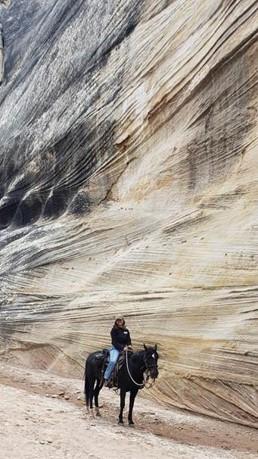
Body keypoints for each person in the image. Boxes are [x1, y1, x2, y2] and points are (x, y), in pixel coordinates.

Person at [104, 317, 132, 386]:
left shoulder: (126, 330)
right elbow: (114, 342)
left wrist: (129, 345)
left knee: (134, 360)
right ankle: (106, 377)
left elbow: (128, 340)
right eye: (118, 320)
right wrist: (123, 348)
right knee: (113, 361)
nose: (119, 321)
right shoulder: (114, 330)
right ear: (116, 321)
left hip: (126, 349)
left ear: (123, 321)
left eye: (121, 320)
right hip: (116, 349)